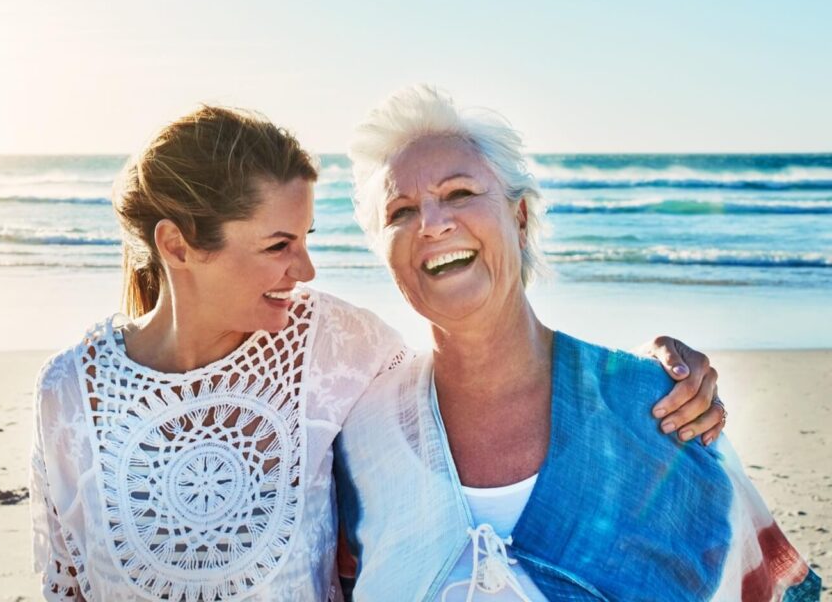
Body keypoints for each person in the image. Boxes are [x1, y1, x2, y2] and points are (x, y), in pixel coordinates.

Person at [30, 106, 725, 601]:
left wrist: (638, 374)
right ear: (178, 247)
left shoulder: (334, 347)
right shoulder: (69, 392)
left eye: (304, 239)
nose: (304, 270)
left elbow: (482, 347)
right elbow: (64, 582)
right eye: (278, 246)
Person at [333, 86, 820, 601]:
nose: (432, 224)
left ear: (519, 219)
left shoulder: (659, 408)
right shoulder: (361, 438)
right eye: (400, 212)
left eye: (459, 193)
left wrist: (647, 376)